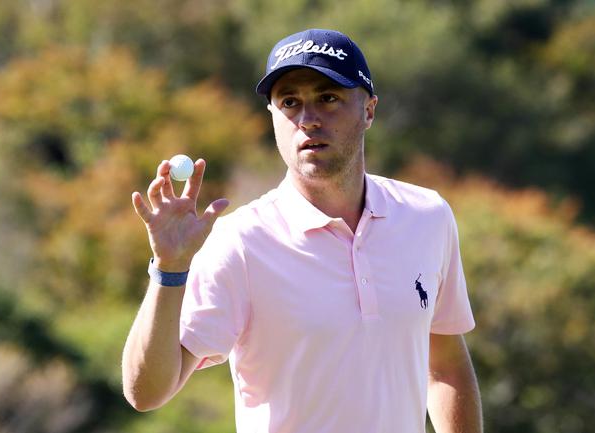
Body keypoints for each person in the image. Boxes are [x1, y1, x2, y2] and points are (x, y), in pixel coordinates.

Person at [122, 28, 483, 433]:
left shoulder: (427, 217)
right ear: (274, 117)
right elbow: (146, 392)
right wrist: (169, 270)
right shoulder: (240, 243)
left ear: (369, 111)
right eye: (289, 102)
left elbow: (446, 366)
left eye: (328, 98)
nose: (307, 120)